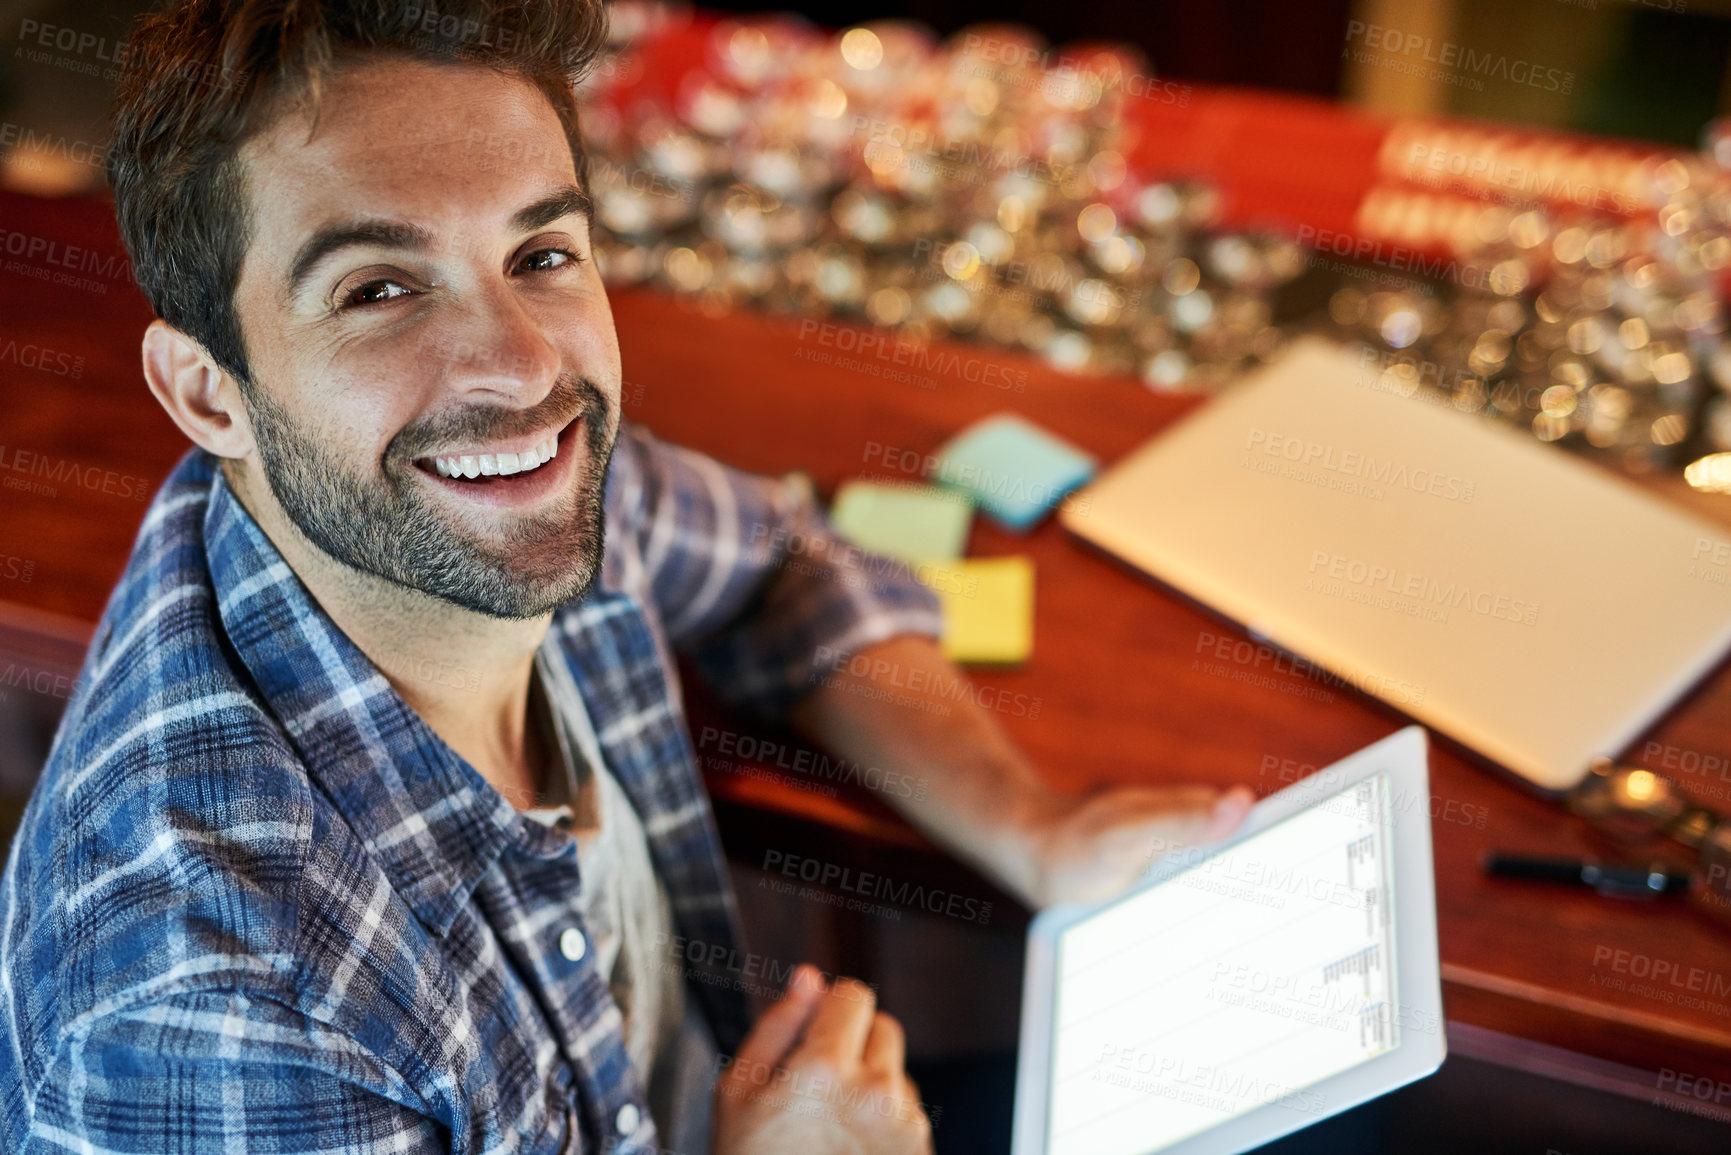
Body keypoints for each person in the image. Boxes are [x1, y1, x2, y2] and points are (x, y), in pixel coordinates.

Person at [0, 1, 1252, 1150]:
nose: (519, 363)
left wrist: (1039, 834)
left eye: (541, 253)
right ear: (207, 390)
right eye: (379, 289)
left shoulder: (513, 492)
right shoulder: (205, 999)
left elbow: (785, 564)